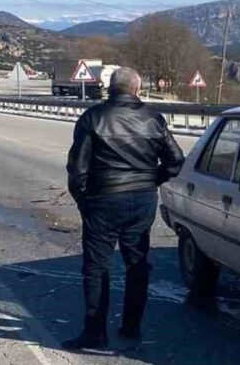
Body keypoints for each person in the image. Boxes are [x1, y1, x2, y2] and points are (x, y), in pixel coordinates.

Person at [63, 67, 184, 349]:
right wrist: (152, 179)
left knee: (96, 267)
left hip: (103, 199)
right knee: (137, 263)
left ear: (110, 88)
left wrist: (83, 200)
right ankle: (131, 327)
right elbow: (176, 160)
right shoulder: (153, 118)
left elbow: (77, 168)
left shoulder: (93, 117)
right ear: (137, 89)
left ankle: (95, 333)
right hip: (142, 198)